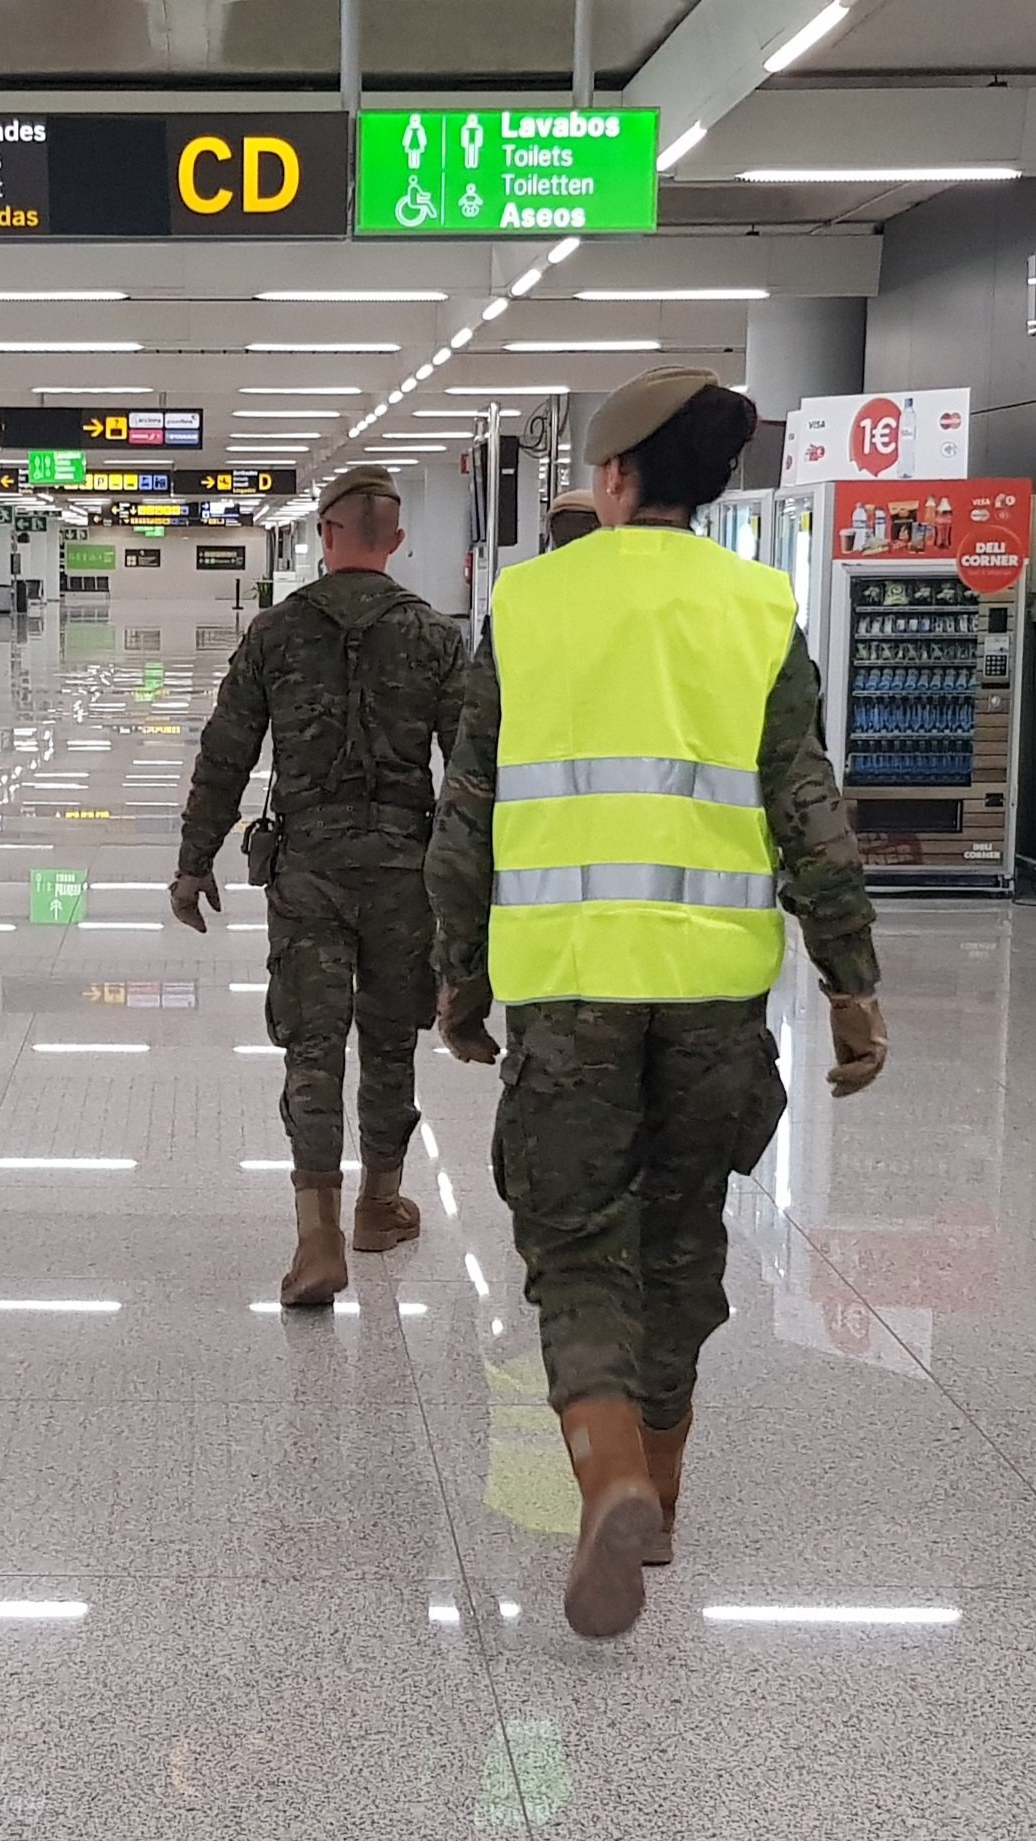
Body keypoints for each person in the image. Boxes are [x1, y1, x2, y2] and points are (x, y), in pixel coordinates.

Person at [426, 366, 886, 1641]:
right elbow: (808, 804)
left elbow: (469, 811)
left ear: (615, 475)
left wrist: (458, 976)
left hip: (566, 981)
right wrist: (851, 981)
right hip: (712, 992)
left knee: (577, 1247)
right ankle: (662, 1497)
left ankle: (608, 1466)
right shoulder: (758, 605)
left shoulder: (526, 602)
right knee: (681, 1242)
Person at [172, 464, 468, 1307]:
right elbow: (473, 773)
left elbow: (226, 753)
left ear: (326, 535)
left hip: (307, 870)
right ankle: (380, 1204)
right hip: (405, 871)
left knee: (311, 1045)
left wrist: (194, 863)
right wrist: (470, 883)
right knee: (388, 1042)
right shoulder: (437, 638)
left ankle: (316, 1238)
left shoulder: (276, 632)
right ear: (397, 541)